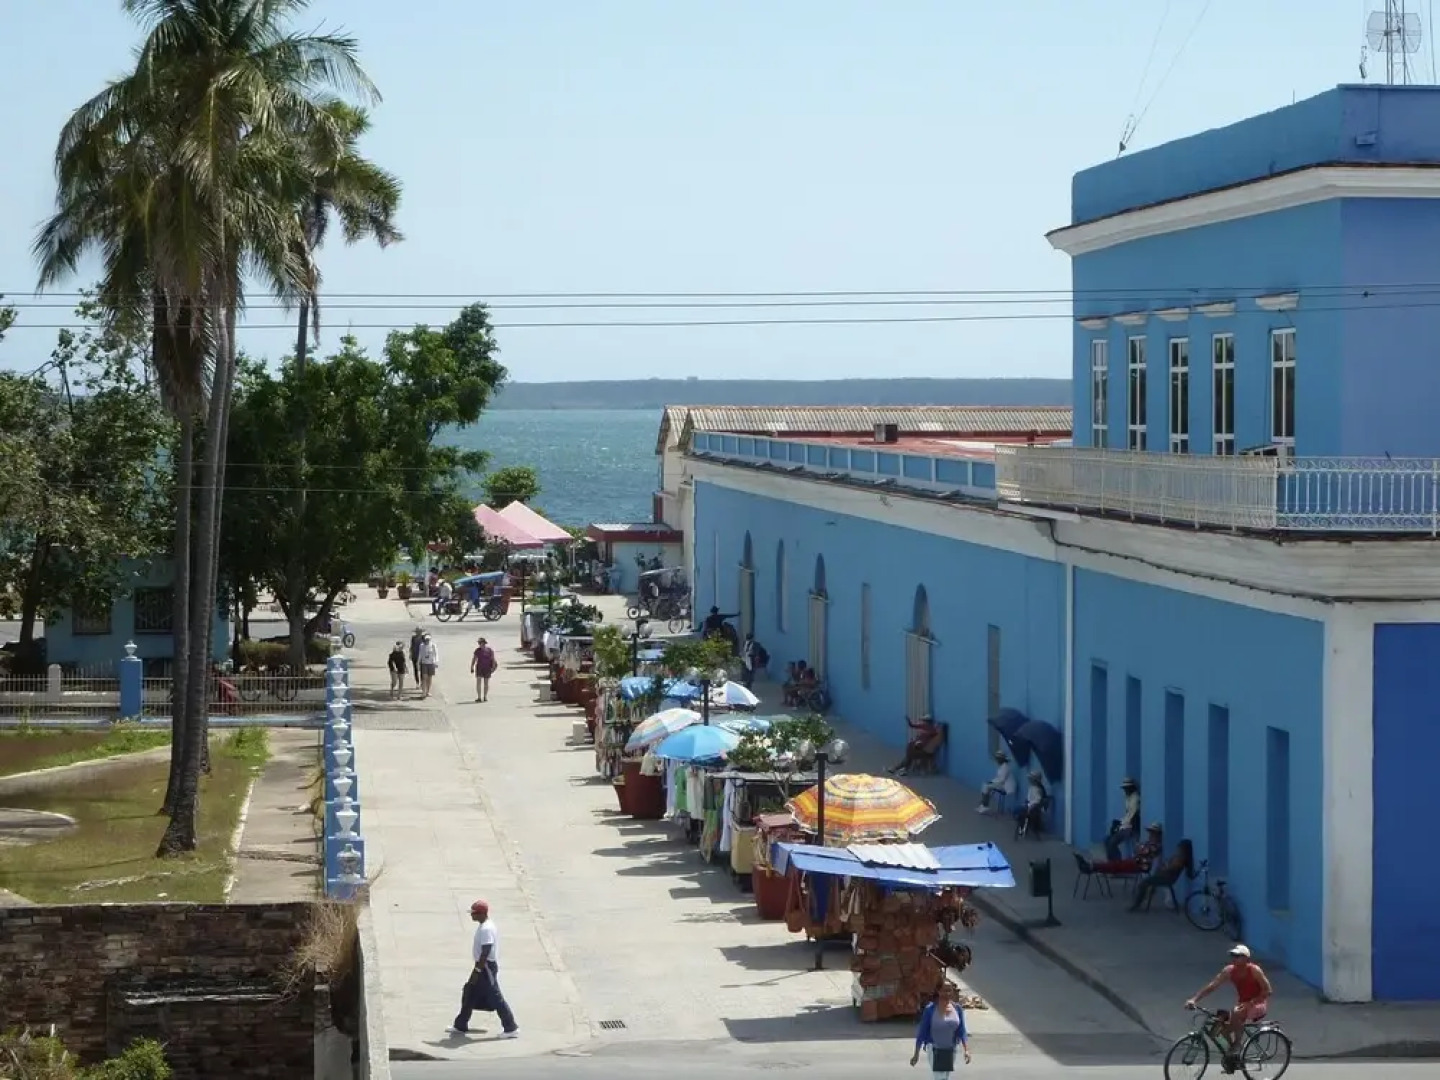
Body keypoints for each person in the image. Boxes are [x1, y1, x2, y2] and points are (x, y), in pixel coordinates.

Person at [1186, 944, 1273, 1072]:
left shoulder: (1254, 970)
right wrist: (1194, 999)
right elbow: (1213, 985)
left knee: (1236, 1012)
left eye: (1238, 956)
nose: (1234, 958)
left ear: (1246, 958)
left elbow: (1268, 990)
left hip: (1258, 1004)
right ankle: (1233, 1058)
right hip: (1242, 1004)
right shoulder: (1229, 971)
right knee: (1218, 1028)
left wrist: (1251, 1003)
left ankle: (1237, 1046)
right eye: (1233, 956)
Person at [448, 899, 519, 1039]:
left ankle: (511, 1027)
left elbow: (486, 951)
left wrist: (478, 970)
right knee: (470, 992)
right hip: (481, 966)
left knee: (496, 997)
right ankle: (460, 1024)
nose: (471, 915)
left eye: (474, 913)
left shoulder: (486, 929)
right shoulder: (484, 926)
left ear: (481, 913)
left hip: (485, 967)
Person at [910, 980, 970, 1077]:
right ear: (938, 991)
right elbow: (922, 1033)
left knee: (945, 1077)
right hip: (935, 1049)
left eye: (949, 990)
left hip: (951, 1049)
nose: (947, 993)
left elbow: (962, 1031)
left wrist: (966, 1050)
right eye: (944, 990)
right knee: (939, 1076)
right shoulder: (930, 1010)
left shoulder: (957, 1009)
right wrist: (916, 1054)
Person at [1129, 838, 1194, 912]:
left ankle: (1137, 904)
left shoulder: (1180, 860)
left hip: (1167, 878)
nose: (1178, 849)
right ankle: (1140, 901)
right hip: (1163, 876)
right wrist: (1165, 865)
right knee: (1145, 882)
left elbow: (1169, 867)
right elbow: (1166, 864)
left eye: (1180, 848)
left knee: (1144, 883)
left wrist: (1165, 866)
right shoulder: (1178, 857)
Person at [1094, 822, 1162, 875]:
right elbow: (1137, 850)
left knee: (1116, 865)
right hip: (1135, 862)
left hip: (1139, 865)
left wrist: (1140, 848)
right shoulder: (1149, 843)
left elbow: (1142, 851)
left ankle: (1095, 867)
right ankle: (1095, 866)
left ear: (1157, 835)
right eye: (1150, 833)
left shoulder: (1155, 846)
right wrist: (1139, 848)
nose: (1150, 835)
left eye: (1152, 833)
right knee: (1116, 864)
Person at [1104, 778, 1142, 860]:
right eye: (1124, 788)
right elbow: (1127, 814)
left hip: (1131, 826)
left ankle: (1117, 862)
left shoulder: (1135, 798)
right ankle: (1112, 862)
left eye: (1126, 788)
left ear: (1131, 788)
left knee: (1112, 842)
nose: (1125, 790)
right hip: (1126, 825)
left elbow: (1132, 815)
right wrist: (1120, 823)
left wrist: (1121, 825)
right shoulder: (1128, 798)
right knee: (1107, 840)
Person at [471, 637, 497, 702]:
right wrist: (472, 666)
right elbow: (474, 659)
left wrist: (493, 668)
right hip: (479, 668)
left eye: (480, 643)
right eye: (479, 643)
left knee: (486, 683)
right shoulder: (477, 650)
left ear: (484, 643)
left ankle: (485, 697)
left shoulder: (489, 650)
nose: (479, 644)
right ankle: (479, 697)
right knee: (478, 683)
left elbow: (493, 659)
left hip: (487, 668)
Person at [418, 632, 439, 699]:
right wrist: (418, 663)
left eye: (428, 639)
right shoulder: (421, 645)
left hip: (431, 663)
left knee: (429, 678)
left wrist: (436, 662)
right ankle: (423, 692)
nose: (427, 641)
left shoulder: (433, 645)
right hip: (424, 663)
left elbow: (436, 654)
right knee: (424, 678)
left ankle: (428, 691)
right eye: (426, 639)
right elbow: (420, 654)